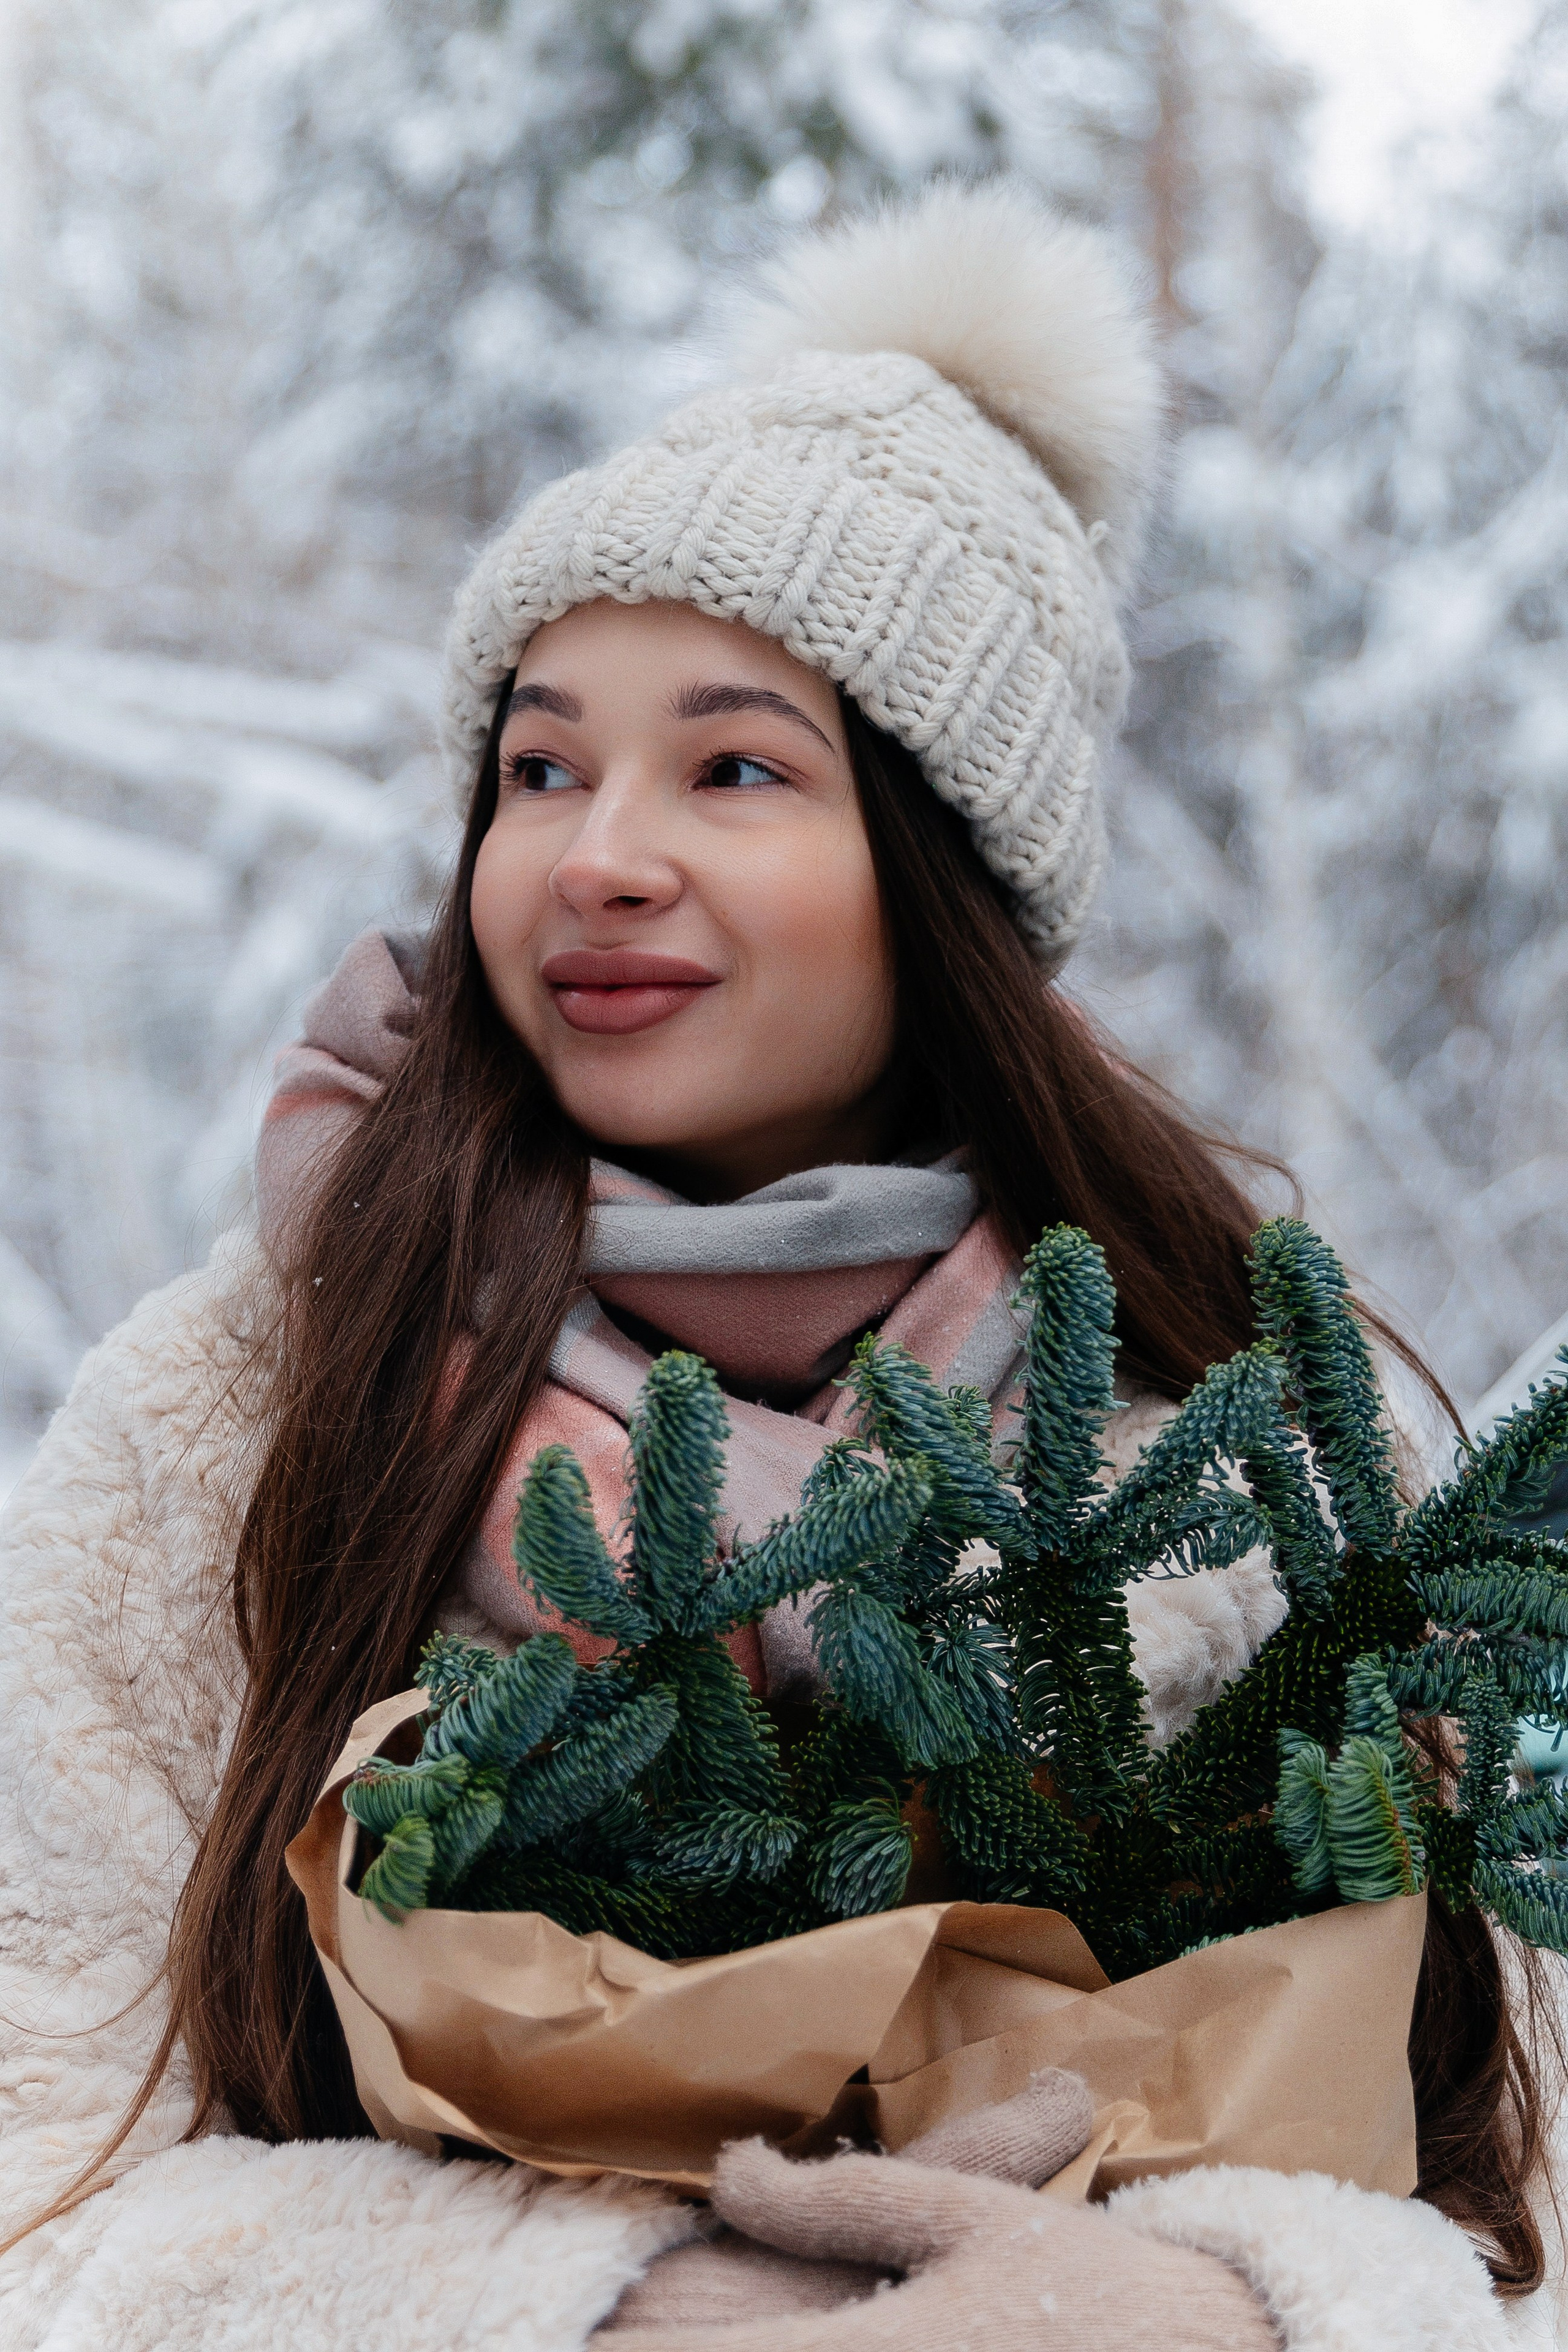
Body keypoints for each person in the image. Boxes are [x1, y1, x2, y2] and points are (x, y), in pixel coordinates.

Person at [0, 181, 1558, 2351]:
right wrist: (632, 2309)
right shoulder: (245, 1412)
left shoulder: (1259, 1429)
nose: (599, 854)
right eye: (538, 766)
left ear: (946, 876)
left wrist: (1226, 2310)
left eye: (734, 764)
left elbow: (1529, 2203)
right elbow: (31, 2184)